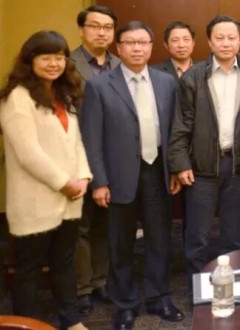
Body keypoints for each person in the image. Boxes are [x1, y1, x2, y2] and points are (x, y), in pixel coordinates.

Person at [80, 21, 183, 330]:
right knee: (120, 243)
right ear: (119, 47)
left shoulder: (166, 82)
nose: (137, 48)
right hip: (118, 176)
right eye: (130, 43)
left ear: (151, 47)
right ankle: (125, 304)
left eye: (143, 43)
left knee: (160, 239)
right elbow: (92, 139)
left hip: (157, 171)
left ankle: (159, 297)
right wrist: (99, 181)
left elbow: (174, 131)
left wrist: (174, 168)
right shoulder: (99, 86)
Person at [0, 31, 92, 330]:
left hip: (70, 198)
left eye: (59, 57)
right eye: (46, 57)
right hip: (36, 200)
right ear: (30, 61)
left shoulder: (63, 94)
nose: (54, 64)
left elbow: (75, 142)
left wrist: (84, 176)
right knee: (28, 270)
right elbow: (28, 153)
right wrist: (65, 183)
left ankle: (71, 319)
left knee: (64, 263)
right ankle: (28, 324)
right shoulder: (18, 97)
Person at [168, 15, 240, 276]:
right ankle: (196, 289)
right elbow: (181, 124)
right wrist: (180, 163)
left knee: (233, 235)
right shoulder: (193, 77)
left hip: (239, 167)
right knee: (197, 237)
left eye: (231, 38)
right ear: (209, 42)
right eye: (219, 38)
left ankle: (231, 285)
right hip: (201, 168)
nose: (226, 43)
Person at [71, 5, 120, 315]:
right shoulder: (66, 65)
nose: (102, 32)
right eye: (95, 26)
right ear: (82, 30)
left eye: (107, 27)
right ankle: (82, 288)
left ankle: (101, 281)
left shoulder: (121, 64)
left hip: (112, 157)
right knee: (80, 226)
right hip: (76, 156)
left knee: (105, 223)